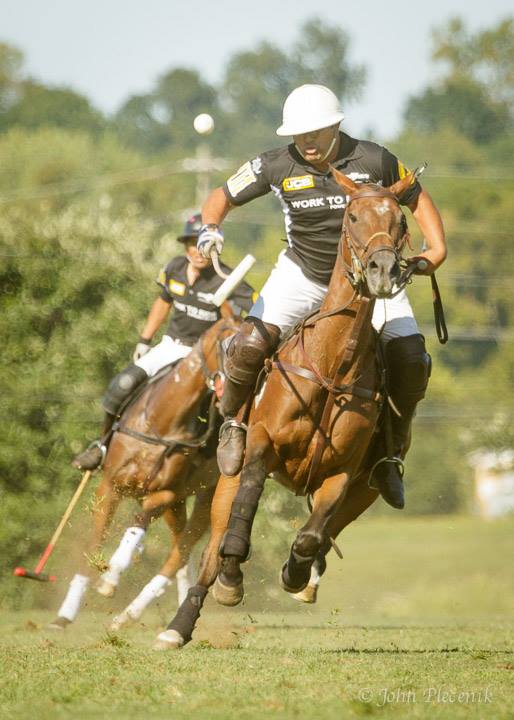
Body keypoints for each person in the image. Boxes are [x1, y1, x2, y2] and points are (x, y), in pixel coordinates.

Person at [196, 84, 447, 509]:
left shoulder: (375, 159)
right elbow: (220, 197)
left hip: (373, 281)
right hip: (304, 276)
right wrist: (211, 228)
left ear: (336, 126)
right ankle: (234, 426)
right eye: (298, 134)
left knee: (409, 358)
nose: (306, 141)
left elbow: (417, 199)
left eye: (315, 132)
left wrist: (434, 249)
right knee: (247, 346)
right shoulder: (273, 164)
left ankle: (390, 453)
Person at [73, 213, 256, 471]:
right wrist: (144, 340)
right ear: (186, 246)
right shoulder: (175, 268)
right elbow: (163, 301)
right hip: (170, 346)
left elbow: (257, 308)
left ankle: (213, 464)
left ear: (215, 246)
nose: (198, 250)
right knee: (122, 384)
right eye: (193, 243)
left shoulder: (228, 278)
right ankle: (102, 445)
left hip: (204, 358)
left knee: (224, 408)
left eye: (204, 243)